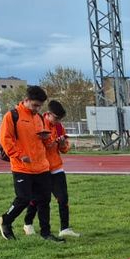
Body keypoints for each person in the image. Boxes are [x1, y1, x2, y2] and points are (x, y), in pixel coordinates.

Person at [0, 85, 61, 242]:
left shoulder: (39, 118)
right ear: (26, 100)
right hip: (22, 167)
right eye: (35, 105)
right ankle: (6, 221)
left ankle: (46, 233)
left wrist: (48, 139)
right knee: (23, 199)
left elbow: (45, 143)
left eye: (40, 106)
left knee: (44, 200)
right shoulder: (12, 116)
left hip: (41, 166)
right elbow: (5, 139)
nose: (37, 109)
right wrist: (19, 155)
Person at [24, 100, 79, 238]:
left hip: (56, 167)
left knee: (63, 198)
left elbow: (64, 149)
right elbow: (38, 146)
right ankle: (28, 223)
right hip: (41, 168)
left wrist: (62, 144)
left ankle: (65, 228)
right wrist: (52, 142)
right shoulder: (39, 124)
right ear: (48, 114)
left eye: (60, 119)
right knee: (38, 198)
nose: (58, 121)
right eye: (56, 118)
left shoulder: (59, 127)